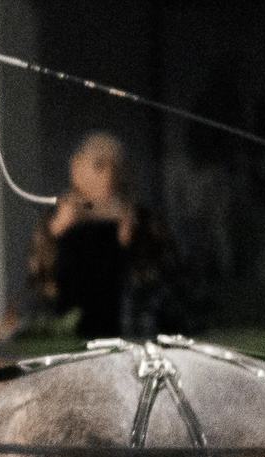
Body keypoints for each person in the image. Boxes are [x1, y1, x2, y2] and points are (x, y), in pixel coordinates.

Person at [31, 132, 175, 341]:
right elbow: (39, 285)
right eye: (99, 165)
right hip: (67, 332)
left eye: (117, 167)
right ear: (77, 167)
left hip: (125, 331)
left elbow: (159, 282)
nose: (109, 176)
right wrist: (58, 231)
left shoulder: (140, 219)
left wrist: (131, 242)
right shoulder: (56, 218)